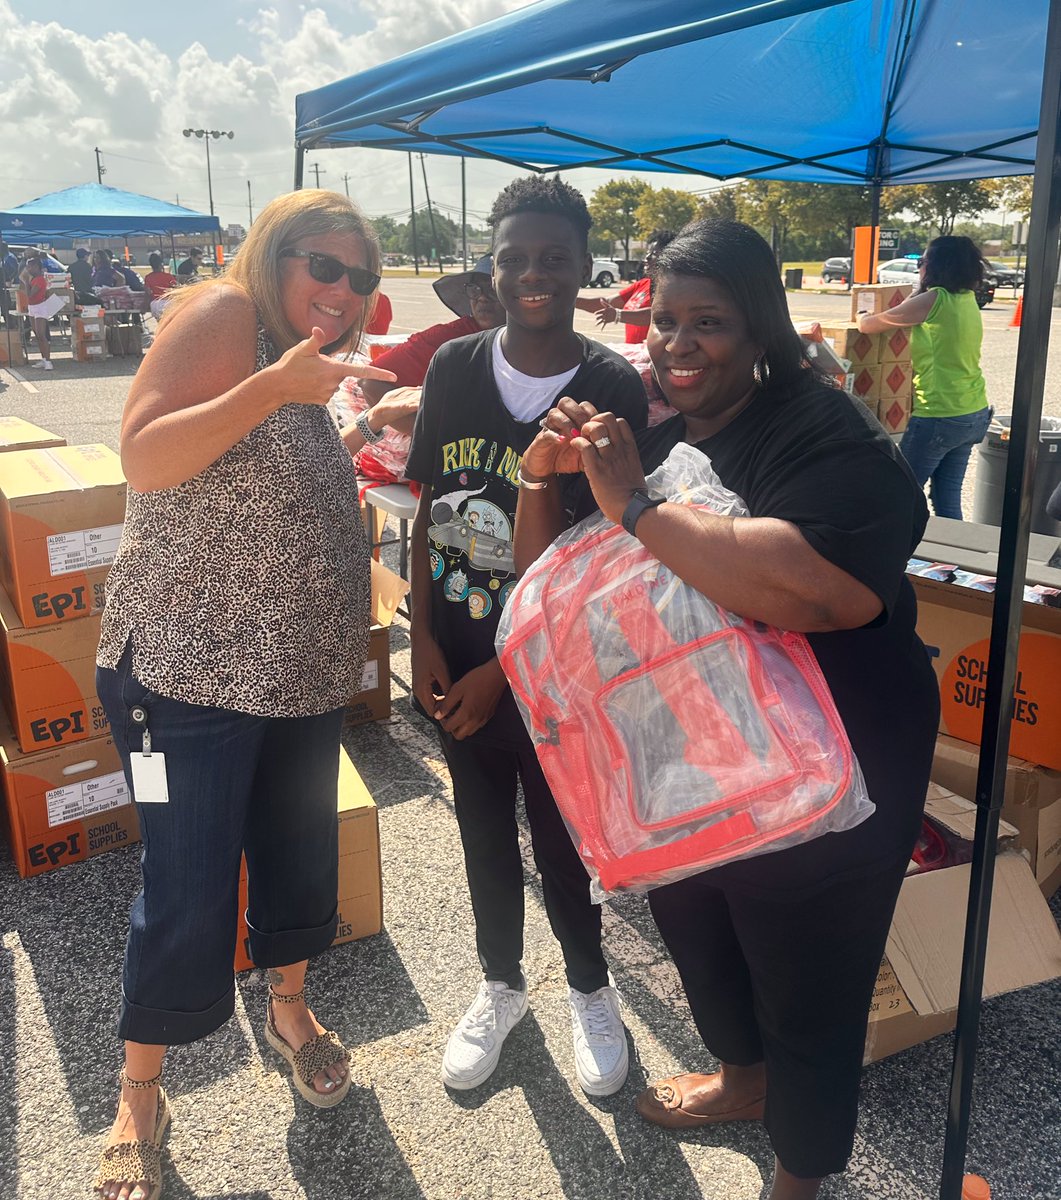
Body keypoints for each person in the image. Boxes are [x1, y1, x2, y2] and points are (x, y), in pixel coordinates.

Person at [513, 218, 940, 1200]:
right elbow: (550, 578)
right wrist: (545, 478)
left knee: (809, 979)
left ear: (759, 331)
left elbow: (820, 592)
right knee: (697, 924)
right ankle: (743, 1081)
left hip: (833, 772)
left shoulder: (826, 434)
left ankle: (801, 1167)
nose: (676, 342)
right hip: (696, 756)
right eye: (663, 319)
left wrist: (637, 508)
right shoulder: (658, 436)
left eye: (706, 321)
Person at [91, 189, 402, 1200]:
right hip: (182, 680)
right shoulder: (226, 320)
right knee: (186, 882)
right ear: (273, 256)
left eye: (360, 278)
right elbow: (146, 456)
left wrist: (355, 428)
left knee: (300, 855)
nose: (343, 292)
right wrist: (274, 389)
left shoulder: (304, 365)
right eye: (324, 266)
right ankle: (141, 1094)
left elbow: (262, 483)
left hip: (300, 676)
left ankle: (290, 1008)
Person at [406, 176, 648, 1097]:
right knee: (480, 833)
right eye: (513, 258)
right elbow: (431, 502)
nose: (532, 275)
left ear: (585, 269)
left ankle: (589, 985)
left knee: (562, 840)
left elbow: (598, 559)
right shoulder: (453, 367)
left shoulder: (609, 383)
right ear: (490, 269)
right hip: (455, 654)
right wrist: (420, 632)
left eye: (553, 258)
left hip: (550, 676)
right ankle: (500, 986)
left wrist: (506, 673)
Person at [857, 235, 991, 519]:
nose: (919, 267)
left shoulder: (935, 300)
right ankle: (954, 560)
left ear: (934, 266)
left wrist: (861, 313)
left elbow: (870, 325)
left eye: (922, 261)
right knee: (947, 498)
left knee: (898, 493)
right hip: (972, 412)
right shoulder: (966, 299)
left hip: (938, 414)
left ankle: (891, 557)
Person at [357, 254, 505, 421]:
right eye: (475, 289)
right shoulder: (450, 340)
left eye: (492, 290)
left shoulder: (538, 342)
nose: (482, 297)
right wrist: (429, 437)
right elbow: (371, 381)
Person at [575, 229, 675, 342]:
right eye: (648, 252)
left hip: (654, 357)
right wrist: (570, 300)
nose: (647, 257)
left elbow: (657, 314)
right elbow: (605, 303)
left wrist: (618, 315)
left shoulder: (672, 289)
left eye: (654, 254)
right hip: (635, 355)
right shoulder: (642, 284)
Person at [21, 255, 54, 370]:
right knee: (37, 335)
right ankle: (44, 359)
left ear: (36, 267)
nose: (28, 269)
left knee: (41, 334)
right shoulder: (33, 279)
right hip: (32, 307)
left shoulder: (39, 279)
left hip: (40, 307)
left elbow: (30, 294)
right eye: (27, 267)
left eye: (30, 267)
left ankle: (48, 360)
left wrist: (25, 282)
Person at [144, 252, 178, 321]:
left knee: (160, 323)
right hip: (168, 303)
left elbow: (148, 293)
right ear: (161, 264)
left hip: (155, 304)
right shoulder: (168, 276)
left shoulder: (148, 277)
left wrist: (144, 306)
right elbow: (177, 287)